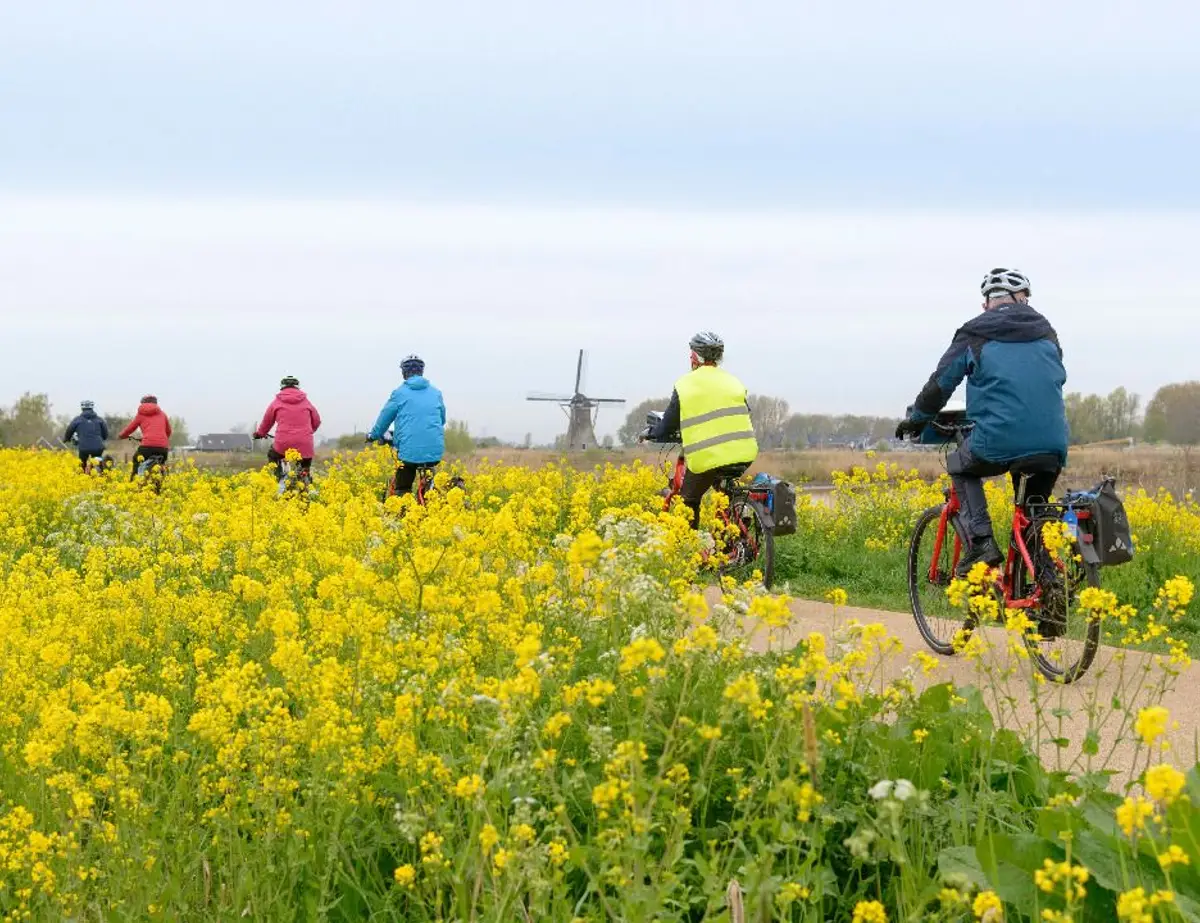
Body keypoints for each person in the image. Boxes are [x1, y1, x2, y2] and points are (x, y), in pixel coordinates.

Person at [896, 268, 1068, 575]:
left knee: (959, 464)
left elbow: (940, 385)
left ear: (988, 302)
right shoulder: (1047, 332)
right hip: (1052, 443)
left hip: (999, 439)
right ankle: (1046, 591)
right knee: (1033, 521)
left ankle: (981, 542)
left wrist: (917, 419)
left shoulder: (975, 332)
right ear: (1022, 299)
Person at [647, 331, 759, 529]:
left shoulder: (685, 384)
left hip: (708, 456)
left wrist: (653, 433)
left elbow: (668, 423)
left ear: (695, 356)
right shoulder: (734, 382)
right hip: (745, 452)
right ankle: (732, 533)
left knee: (688, 500)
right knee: (723, 492)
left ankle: (689, 545)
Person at [367, 355, 446, 496]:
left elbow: (385, 418)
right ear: (422, 372)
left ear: (404, 372)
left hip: (408, 451)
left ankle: (402, 503)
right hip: (434, 450)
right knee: (429, 481)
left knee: (403, 481)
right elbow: (442, 419)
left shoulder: (399, 393)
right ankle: (430, 497)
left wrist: (373, 435)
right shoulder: (436, 393)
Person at [254, 375, 322, 479]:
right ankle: (305, 480)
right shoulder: (306, 402)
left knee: (272, 455)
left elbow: (267, 422)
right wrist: (308, 432)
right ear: (297, 387)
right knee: (304, 469)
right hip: (304, 443)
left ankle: (277, 478)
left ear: (282, 387)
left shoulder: (276, 402)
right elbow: (316, 421)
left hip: (283, 444)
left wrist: (260, 434)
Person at [118, 395, 173, 480]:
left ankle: (134, 481)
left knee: (136, 459)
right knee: (161, 463)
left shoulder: (141, 414)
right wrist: (162, 440)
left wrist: (122, 435)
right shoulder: (163, 414)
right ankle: (163, 480)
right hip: (163, 447)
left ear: (143, 403)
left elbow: (130, 428)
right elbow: (168, 431)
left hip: (147, 447)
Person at [63, 400, 109, 470]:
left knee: (82, 463)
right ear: (92, 408)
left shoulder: (77, 419)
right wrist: (103, 438)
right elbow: (105, 434)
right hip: (98, 448)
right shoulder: (100, 420)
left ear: (82, 408)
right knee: (98, 462)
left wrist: (67, 438)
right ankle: (101, 472)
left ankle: (82, 473)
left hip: (83, 447)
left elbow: (69, 430)